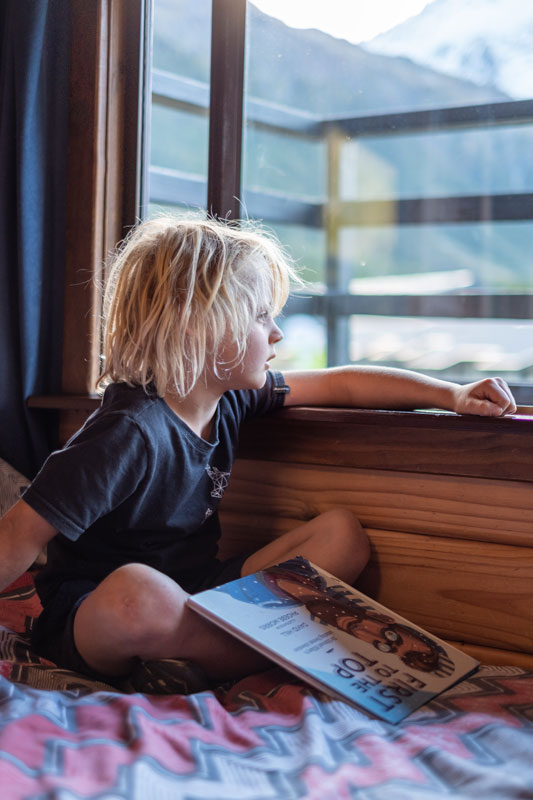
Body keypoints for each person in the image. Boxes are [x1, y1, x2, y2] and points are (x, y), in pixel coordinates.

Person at [0, 216, 516, 689]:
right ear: (193, 322)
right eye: (259, 316)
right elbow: (17, 535)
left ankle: (197, 657)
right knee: (139, 592)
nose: (277, 332)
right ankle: (251, 656)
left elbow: (344, 385)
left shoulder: (232, 397)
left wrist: (448, 395)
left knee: (340, 535)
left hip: (201, 590)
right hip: (92, 613)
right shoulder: (126, 434)